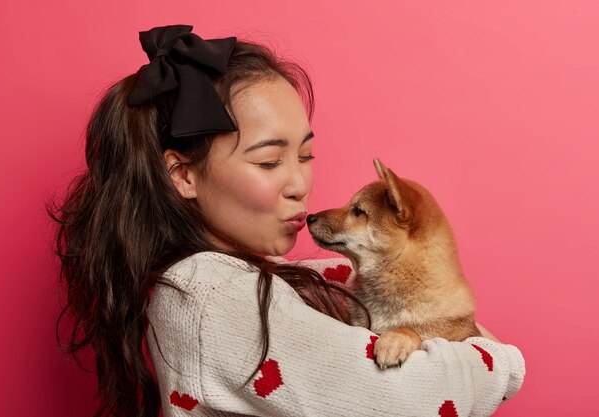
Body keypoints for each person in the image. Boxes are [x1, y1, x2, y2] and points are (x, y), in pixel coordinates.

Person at [49, 24, 525, 417]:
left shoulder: (220, 281)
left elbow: (318, 291)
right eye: (269, 162)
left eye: (306, 154)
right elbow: (406, 402)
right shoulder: (212, 295)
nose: (300, 184)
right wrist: (498, 359)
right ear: (183, 174)